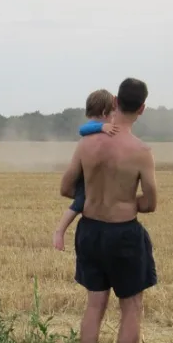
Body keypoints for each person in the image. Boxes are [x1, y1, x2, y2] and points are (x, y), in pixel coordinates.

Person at [59, 77, 158, 343]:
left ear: (115, 101)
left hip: (89, 231)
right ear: (142, 108)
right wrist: (127, 202)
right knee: (131, 307)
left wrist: (94, 199)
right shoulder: (141, 152)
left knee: (94, 305)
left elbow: (66, 188)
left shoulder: (87, 143)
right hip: (123, 235)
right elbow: (151, 203)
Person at [52, 90, 118, 251]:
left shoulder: (98, 131)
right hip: (86, 179)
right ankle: (59, 231)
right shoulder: (91, 129)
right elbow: (83, 129)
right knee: (80, 202)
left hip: (92, 179)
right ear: (104, 113)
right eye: (112, 113)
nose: (113, 118)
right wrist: (102, 127)